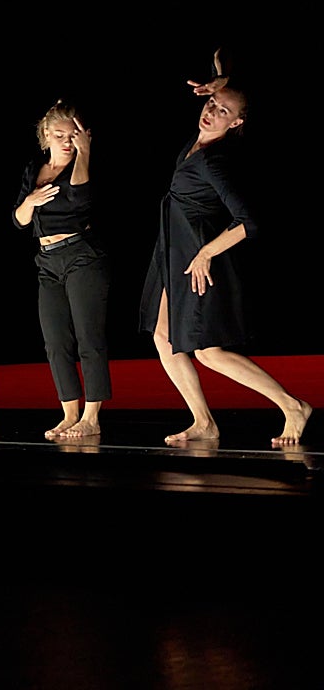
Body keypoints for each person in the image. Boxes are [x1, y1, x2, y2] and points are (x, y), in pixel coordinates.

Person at [139, 48, 312, 446]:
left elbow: (249, 223)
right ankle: (203, 422)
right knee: (163, 337)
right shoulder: (197, 146)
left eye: (223, 111)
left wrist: (206, 253)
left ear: (236, 123)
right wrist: (223, 77)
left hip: (197, 258)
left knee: (207, 352)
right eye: (212, 104)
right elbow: (224, 55)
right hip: (173, 253)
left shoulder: (213, 161)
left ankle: (292, 406)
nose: (212, 112)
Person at [12, 101, 110, 439]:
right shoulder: (34, 169)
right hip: (47, 261)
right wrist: (29, 201)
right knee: (55, 341)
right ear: (45, 134)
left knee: (89, 338)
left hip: (81, 256)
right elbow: (19, 221)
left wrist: (85, 152)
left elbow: (80, 198)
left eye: (72, 135)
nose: (66, 141)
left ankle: (91, 417)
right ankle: (70, 414)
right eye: (59, 135)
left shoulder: (80, 166)